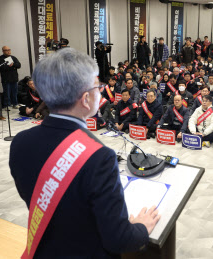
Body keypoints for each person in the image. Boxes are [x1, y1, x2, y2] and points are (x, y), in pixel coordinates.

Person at [9, 48, 160, 258]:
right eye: (97, 87)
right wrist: (141, 228)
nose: (100, 91)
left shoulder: (20, 143)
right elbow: (119, 239)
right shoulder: (99, 157)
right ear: (85, 99)